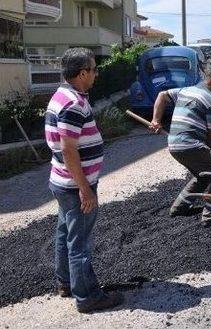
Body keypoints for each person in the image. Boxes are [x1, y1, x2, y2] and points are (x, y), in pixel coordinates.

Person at [45, 47, 123, 313]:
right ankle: (88, 296)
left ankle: (66, 283)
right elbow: (69, 149)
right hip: (74, 185)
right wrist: (85, 189)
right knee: (80, 242)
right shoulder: (73, 104)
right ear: (82, 73)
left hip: (62, 181)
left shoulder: (62, 94)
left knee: (65, 232)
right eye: (93, 69)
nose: (96, 74)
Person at [150, 69, 211, 226]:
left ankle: (178, 209)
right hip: (190, 145)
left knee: (203, 175)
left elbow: (162, 94)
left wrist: (156, 119)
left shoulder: (186, 90)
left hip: (174, 144)